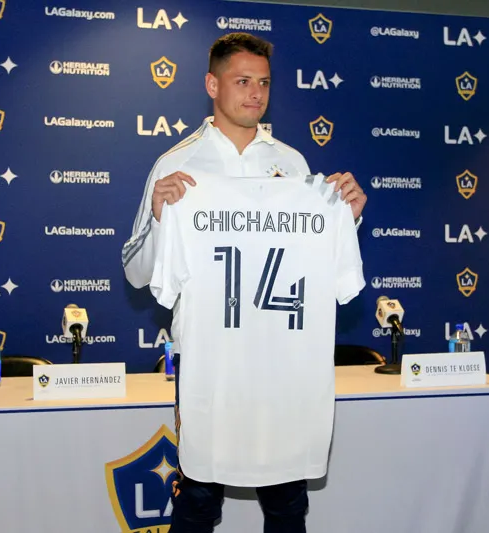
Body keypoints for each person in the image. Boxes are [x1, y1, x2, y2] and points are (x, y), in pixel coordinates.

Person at [122, 33, 367, 533]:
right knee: (197, 500)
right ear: (212, 84)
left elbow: (312, 258)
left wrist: (348, 219)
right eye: (242, 81)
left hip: (282, 364)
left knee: (286, 502)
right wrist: (157, 216)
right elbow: (137, 271)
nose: (255, 93)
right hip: (210, 366)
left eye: (263, 83)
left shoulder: (294, 164)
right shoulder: (175, 164)